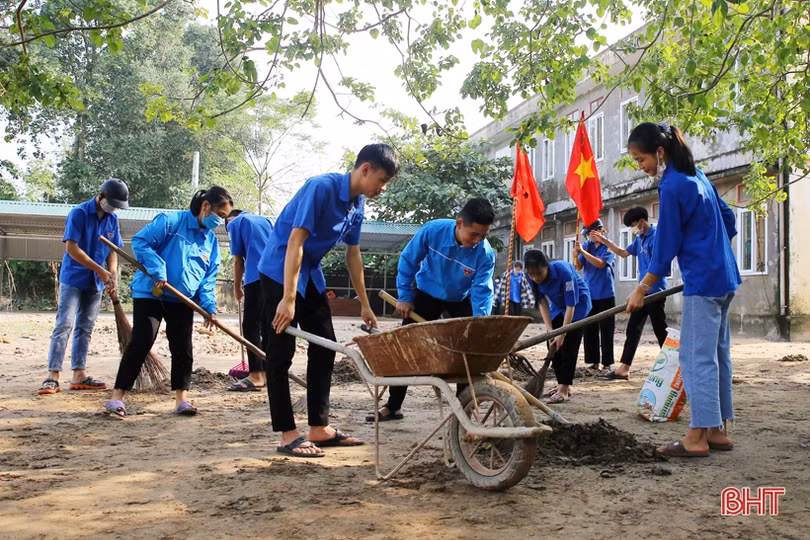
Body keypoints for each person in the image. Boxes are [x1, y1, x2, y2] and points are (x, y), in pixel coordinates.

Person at [259, 143, 398, 457]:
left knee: (325, 346)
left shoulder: (358, 203)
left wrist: (365, 304)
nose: (383, 187)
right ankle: (287, 434)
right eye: (382, 179)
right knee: (280, 352)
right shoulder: (320, 187)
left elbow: (353, 255)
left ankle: (318, 428)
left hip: (310, 272)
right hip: (279, 270)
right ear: (365, 169)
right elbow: (295, 241)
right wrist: (287, 298)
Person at [625, 122, 741, 457]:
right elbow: (729, 220)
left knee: (695, 358)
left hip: (704, 283)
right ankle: (717, 430)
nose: (640, 166)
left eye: (640, 158)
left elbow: (667, 243)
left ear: (659, 152)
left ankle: (695, 438)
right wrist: (711, 248)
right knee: (717, 354)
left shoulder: (673, 185)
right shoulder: (698, 176)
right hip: (725, 276)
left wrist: (643, 287)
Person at [103, 187, 233, 417]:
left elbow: (208, 279)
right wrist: (157, 268)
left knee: (183, 347)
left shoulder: (210, 243)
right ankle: (117, 397)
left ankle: (181, 400)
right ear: (205, 206)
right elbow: (141, 242)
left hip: (182, 300)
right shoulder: (171, 222)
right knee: (142, 340)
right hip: (151, 293)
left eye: (223, 219)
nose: (219, 222)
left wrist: (209, 308)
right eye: (219, 216)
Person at [367, 197, 497, 422]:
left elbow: (482, 291)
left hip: (460, 299)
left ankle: (464, 410)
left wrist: (480, 323)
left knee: (468, 351)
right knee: (406, 346)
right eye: (473, 234)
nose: (477, 240)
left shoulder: (484, 253)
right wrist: (405, 297)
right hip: (426, 294)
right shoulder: (433, 231)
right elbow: (408, 261)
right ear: (459, 223)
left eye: (483, 236)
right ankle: (393, 406)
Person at [38, 178, 129, 395]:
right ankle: (53, 375)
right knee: (64, 324)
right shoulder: (78, 213)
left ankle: (79, 374)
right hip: (74, 278)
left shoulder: (112, 219)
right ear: (101, 196)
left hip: (96, 283)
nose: (114, 207)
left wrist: (112, 275)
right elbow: (72, 248)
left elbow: (113, 250)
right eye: (112, 202)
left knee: (85, 327)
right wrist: (99, 269)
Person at [593, 207, 668, 380]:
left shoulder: (656, 237)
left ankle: (675, 364)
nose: (632, 229)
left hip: (655, 291)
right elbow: (623, 253)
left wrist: (642, 289)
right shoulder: (640, 239)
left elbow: (657, 266)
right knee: (633, 328)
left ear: (642, 221)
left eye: (633, 225)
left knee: (660, 330)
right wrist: (605, 241)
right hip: (641, 292)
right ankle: (624, 368)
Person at [524, 250, 591, 403]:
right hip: (557, 307)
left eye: (538, 273)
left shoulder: (563, 272)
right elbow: (542, 302)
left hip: (577, 304)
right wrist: (550, 331)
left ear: (546, 267)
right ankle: (561, 382)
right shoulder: (530, 277)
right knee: (553, 345)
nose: (535, 278)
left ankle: (564, 388)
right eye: (532, 274)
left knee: (569, 345)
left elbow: (571, 305)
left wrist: (563, 333)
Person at [225, 209, 274, 391]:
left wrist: (237, 288)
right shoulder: (265, 220)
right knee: (268, 325)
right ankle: (269, 372)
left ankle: (256, 374)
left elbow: (239, 261)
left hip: (256, 278)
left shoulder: (234, 223)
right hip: (276, 277)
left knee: (251, 326)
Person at [574, 219, 616, 372]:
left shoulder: (608, 246)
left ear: (599, 230)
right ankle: (593, 362)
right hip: (589, 293)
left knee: (606, 329)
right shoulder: (587, 246)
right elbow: (578, 266)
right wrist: (577, 255)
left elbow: (601, 264)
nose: (589, 237)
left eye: (591, 233)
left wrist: (583, 253)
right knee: (589, 329)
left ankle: (607, 363)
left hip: (605, 293)